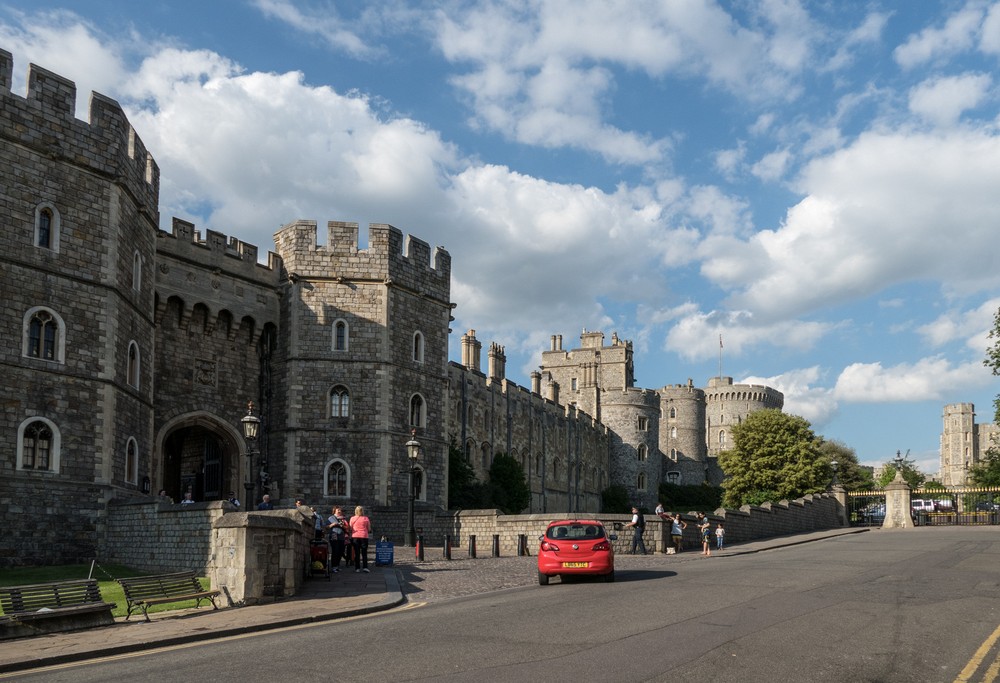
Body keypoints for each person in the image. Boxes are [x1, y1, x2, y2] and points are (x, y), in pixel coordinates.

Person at [349, 505, 372, 573]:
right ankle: (365, 567)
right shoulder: (366, 518)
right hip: (364, 536)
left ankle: (357, 568)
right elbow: (369, 529)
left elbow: (350, 528)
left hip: (355, 537)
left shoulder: (352, 518)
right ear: (362, 511)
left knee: (357, 553)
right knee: (364, 553)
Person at [326, 506, 348, 573]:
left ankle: (337, 566)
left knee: (341, 551)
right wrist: (332, 524)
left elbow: (347, 527)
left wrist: (342, 526)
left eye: (340, 510)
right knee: (335, 551)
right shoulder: (331, 518)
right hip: (334, 535)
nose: (339, 511)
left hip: (341, 536)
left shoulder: (342, 519)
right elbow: (326, 527)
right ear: (334, 511)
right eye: (338, 510)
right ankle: (334, 567)